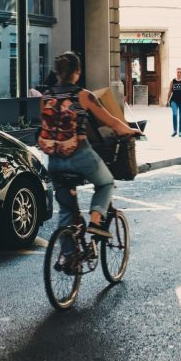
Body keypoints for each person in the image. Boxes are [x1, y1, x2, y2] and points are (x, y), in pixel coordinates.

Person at [39, 52, 141, 255]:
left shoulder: (46, 96)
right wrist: (131, 130)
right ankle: (96, 221)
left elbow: (46, 125)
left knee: (67, 210)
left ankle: (68, 257)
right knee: (105, 183)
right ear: (77, 72)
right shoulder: (83, 95)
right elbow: (111, 122)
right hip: (80, 155)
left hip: (54, 160)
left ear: (58, 72)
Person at [166, 67, 181, 137]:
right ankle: (175, 130)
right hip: (174, 100)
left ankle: (180, 131)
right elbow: (170, 91)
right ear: (176, 72)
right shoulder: (172, 81)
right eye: (177, 72)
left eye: (180, 72)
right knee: (175, 114)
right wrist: (167, 100)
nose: (178, 73)